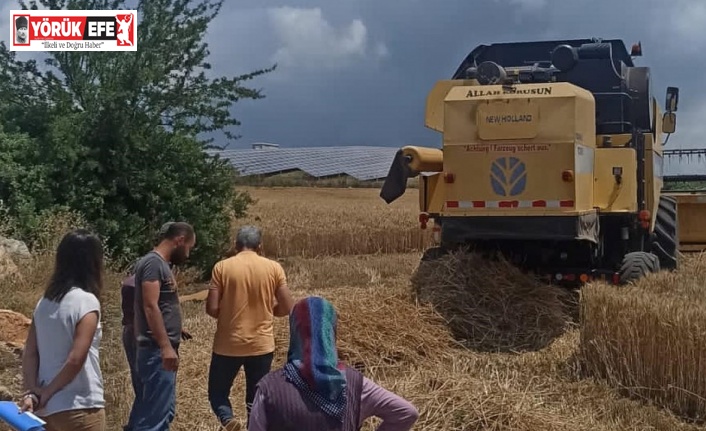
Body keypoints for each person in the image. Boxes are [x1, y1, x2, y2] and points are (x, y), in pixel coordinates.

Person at [248, 296, 420, 431]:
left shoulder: (269, 389)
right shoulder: (356, 384)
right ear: (330, 332)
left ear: (295, 332)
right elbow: (406, 413)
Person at [205, 225, 295, 430]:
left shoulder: (222, 267)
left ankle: (228, 420)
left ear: (236, 245)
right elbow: (288, 306)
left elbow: (211, 308)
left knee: (217, 393)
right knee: (255, 397)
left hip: (228, 344)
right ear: (260, 246)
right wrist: (270, 309)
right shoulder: (274, 268)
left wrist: (227, 311)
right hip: (261, 345)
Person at [19, 229, 106, 431]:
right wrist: (48, 392)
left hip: (46, 412)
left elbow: (30, 352)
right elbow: (76, 358)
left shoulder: (44, 303)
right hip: (81, 405)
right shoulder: (87, 301)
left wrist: (32, 392)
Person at [128, 221, 196, 431]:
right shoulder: (153, 264)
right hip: (156, 351)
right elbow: (150, 305)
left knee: (153, 410)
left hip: (157, 347)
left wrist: (175, 327)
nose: (188, 254)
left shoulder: (160, 265)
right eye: (189, 248)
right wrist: (166, 346)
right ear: (180, 240)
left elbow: (159, 305)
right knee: (157, 417)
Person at [120, 268, 139, 431]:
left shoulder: (129, 282)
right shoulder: (136, 284)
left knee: (141, 386)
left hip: (131, 332)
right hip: (137, 334)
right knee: (144, 387)